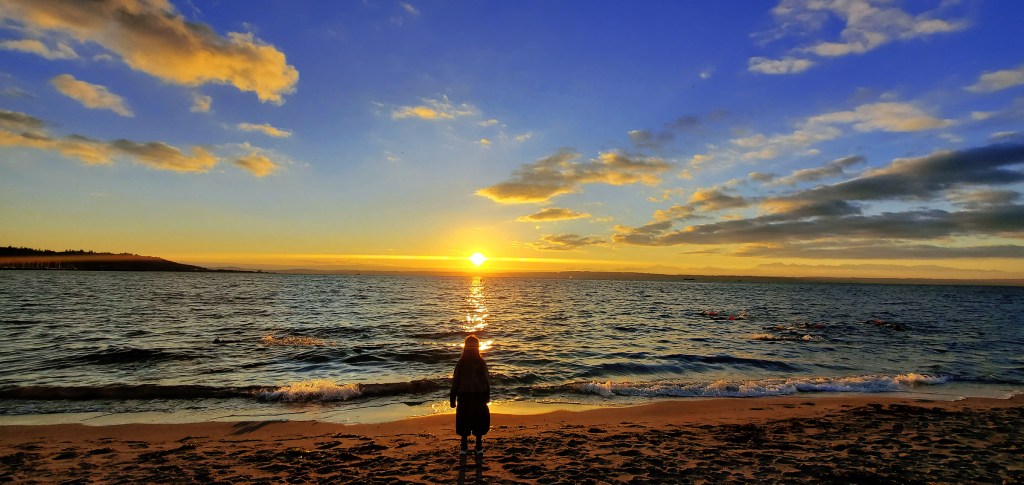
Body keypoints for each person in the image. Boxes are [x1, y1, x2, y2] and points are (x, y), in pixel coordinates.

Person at [450, 335, 490, 457]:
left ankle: (464, 446)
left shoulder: (461, 363)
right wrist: (487, 396)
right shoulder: (481, 362)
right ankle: (478, 446)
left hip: (463, 396)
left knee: (464, 421)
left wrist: (452, 398)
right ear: (477, 347)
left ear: (465, 347)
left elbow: (455, 382)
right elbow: (486, 381)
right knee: (479, 421)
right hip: (479, 395)